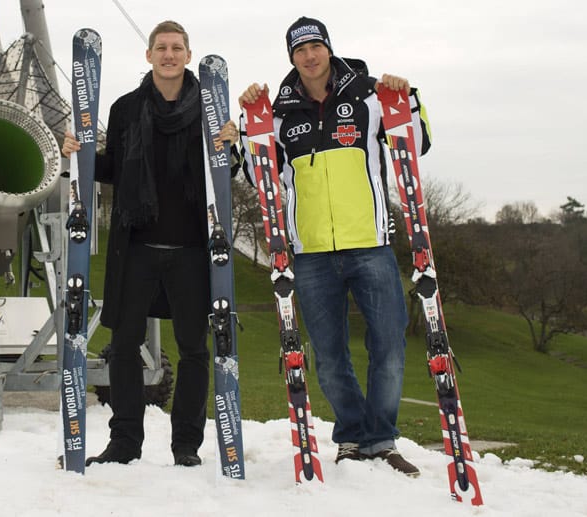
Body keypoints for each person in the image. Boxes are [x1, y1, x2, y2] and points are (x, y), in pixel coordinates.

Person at [238, 16, 431, 477]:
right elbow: (257, 176)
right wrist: (245, 128)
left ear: (328, 49)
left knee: (388, 346)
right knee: (328, 355)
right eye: (299, 50)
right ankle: (351, 437)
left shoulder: (369, 95)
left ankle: (381, 440)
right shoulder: (278, 112)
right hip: (310, 253)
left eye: (315, 47)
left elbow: (417, 144)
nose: (309, 56)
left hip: (370, 244)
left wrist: (410, 98)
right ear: (292, 57)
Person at [62, 20, 239, 467]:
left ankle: (186, 446)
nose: (168, 54)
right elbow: (114, 169)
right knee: (123, 345)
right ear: (149, 55)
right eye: (161, 47)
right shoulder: (125, 109)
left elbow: (224, 173)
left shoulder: (209, 112)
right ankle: (124, 442)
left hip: (192, 250)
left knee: (194, 348)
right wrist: (76, 155)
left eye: (177, 47)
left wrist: (234, 147)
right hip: (136, 247)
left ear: (187, 54)